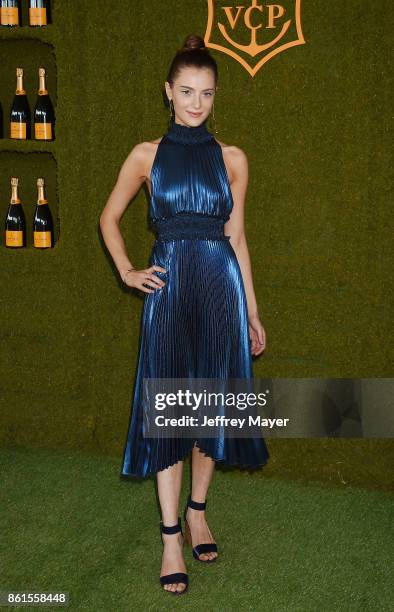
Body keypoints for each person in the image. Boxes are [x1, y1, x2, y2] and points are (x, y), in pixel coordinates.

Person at [99, 33, 270, 596]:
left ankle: (199, 511)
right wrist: (127, 270)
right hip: (169, 293)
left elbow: (238, 238)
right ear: (168, 92)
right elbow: (109, 218)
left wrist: (251, 310)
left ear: (215, 97)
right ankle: (171, 535)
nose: (196, 103)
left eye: (207, 94)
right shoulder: (145, 156)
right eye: (187, 92)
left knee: (208, 409)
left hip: (220, 290)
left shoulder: (234, 158)